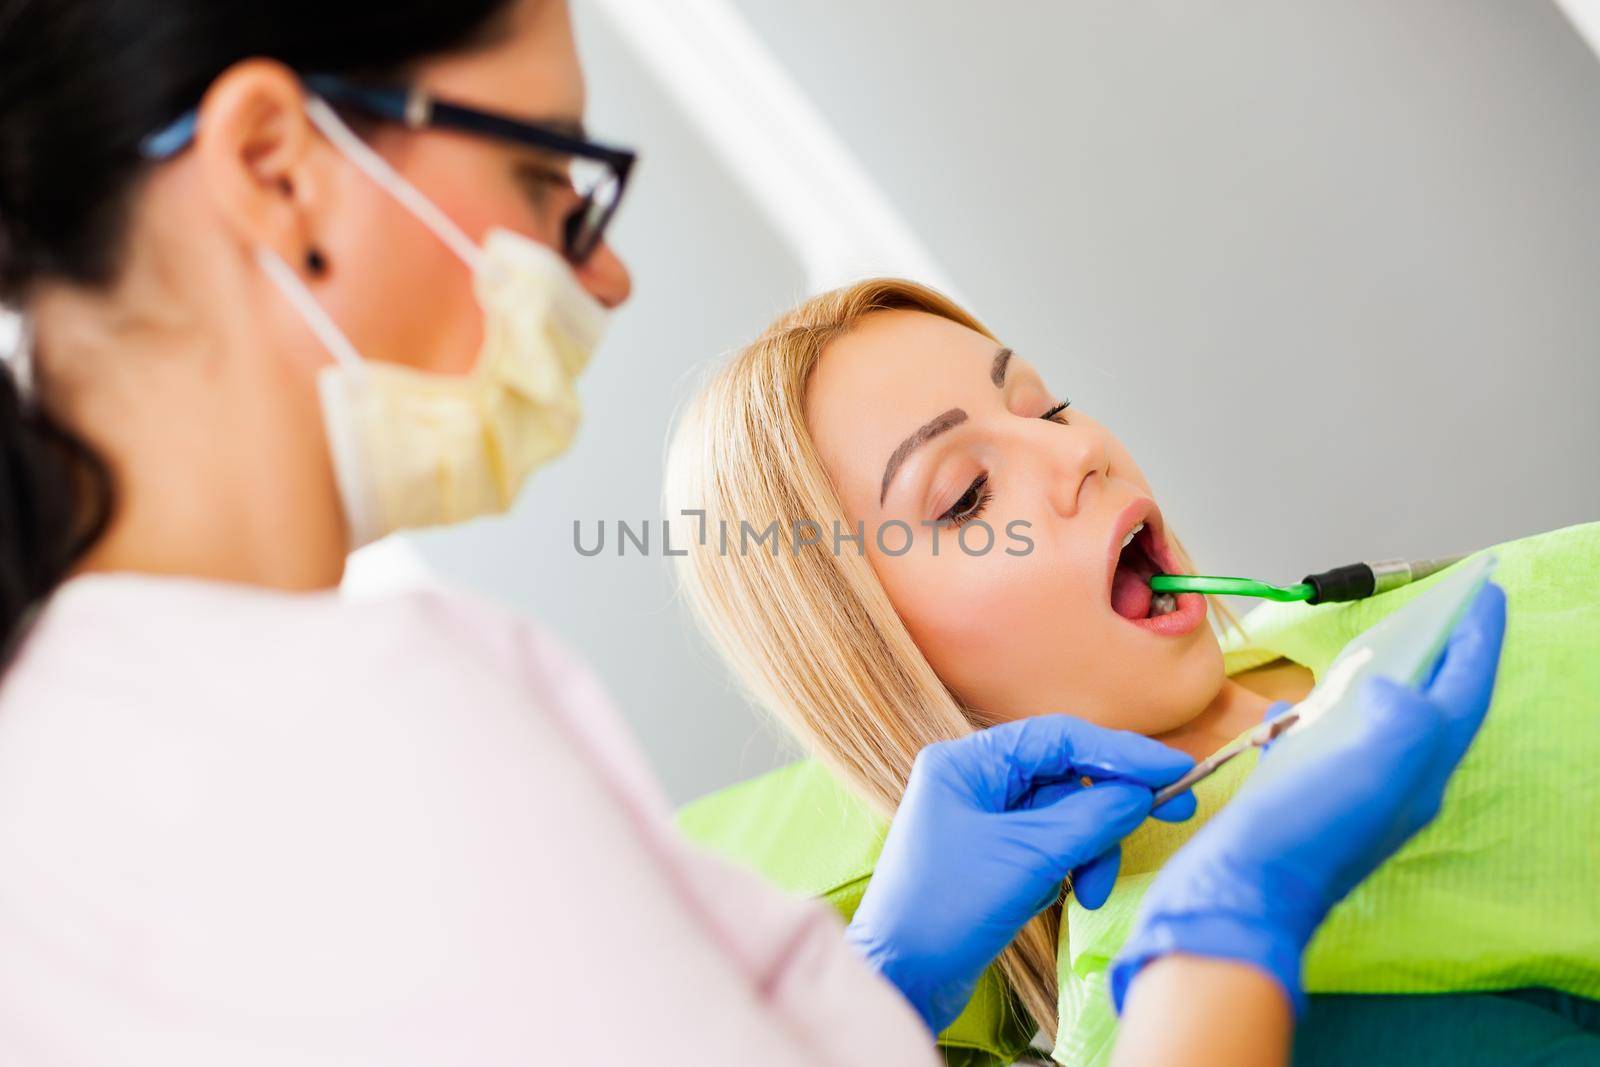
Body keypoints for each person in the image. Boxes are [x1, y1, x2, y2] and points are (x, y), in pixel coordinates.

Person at [0, 1, 1512, 1063]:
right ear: (277, 164)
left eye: (1046, 406)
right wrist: (1215, 951)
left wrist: (872, 985)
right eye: (553, 180)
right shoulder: (359, 743)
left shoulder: (96, 756)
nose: (605, 285)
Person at [665, 278, 1600, 1063]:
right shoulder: (1163, 1010)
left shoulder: (1330, 623)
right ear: (882, 662)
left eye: (1046, 407)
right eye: (966, 495)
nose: (1080, 450)